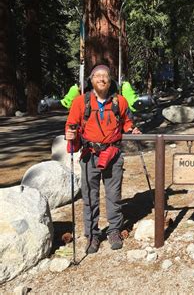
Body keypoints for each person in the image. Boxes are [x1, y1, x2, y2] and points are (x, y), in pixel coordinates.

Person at [65, 63, 141, 254]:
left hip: (113, 155)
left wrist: (132, 129)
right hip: (89, 155)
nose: (101, 78)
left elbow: (127, 122)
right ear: (91, 80)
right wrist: (70, 134)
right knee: (90, 197)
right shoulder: (80, 102)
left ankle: (114, 230)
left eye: (105, 75)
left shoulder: (120, 102)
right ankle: (92, 235)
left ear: (110, 80)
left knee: (114, 196)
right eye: (97, 75)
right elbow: (71, 125)